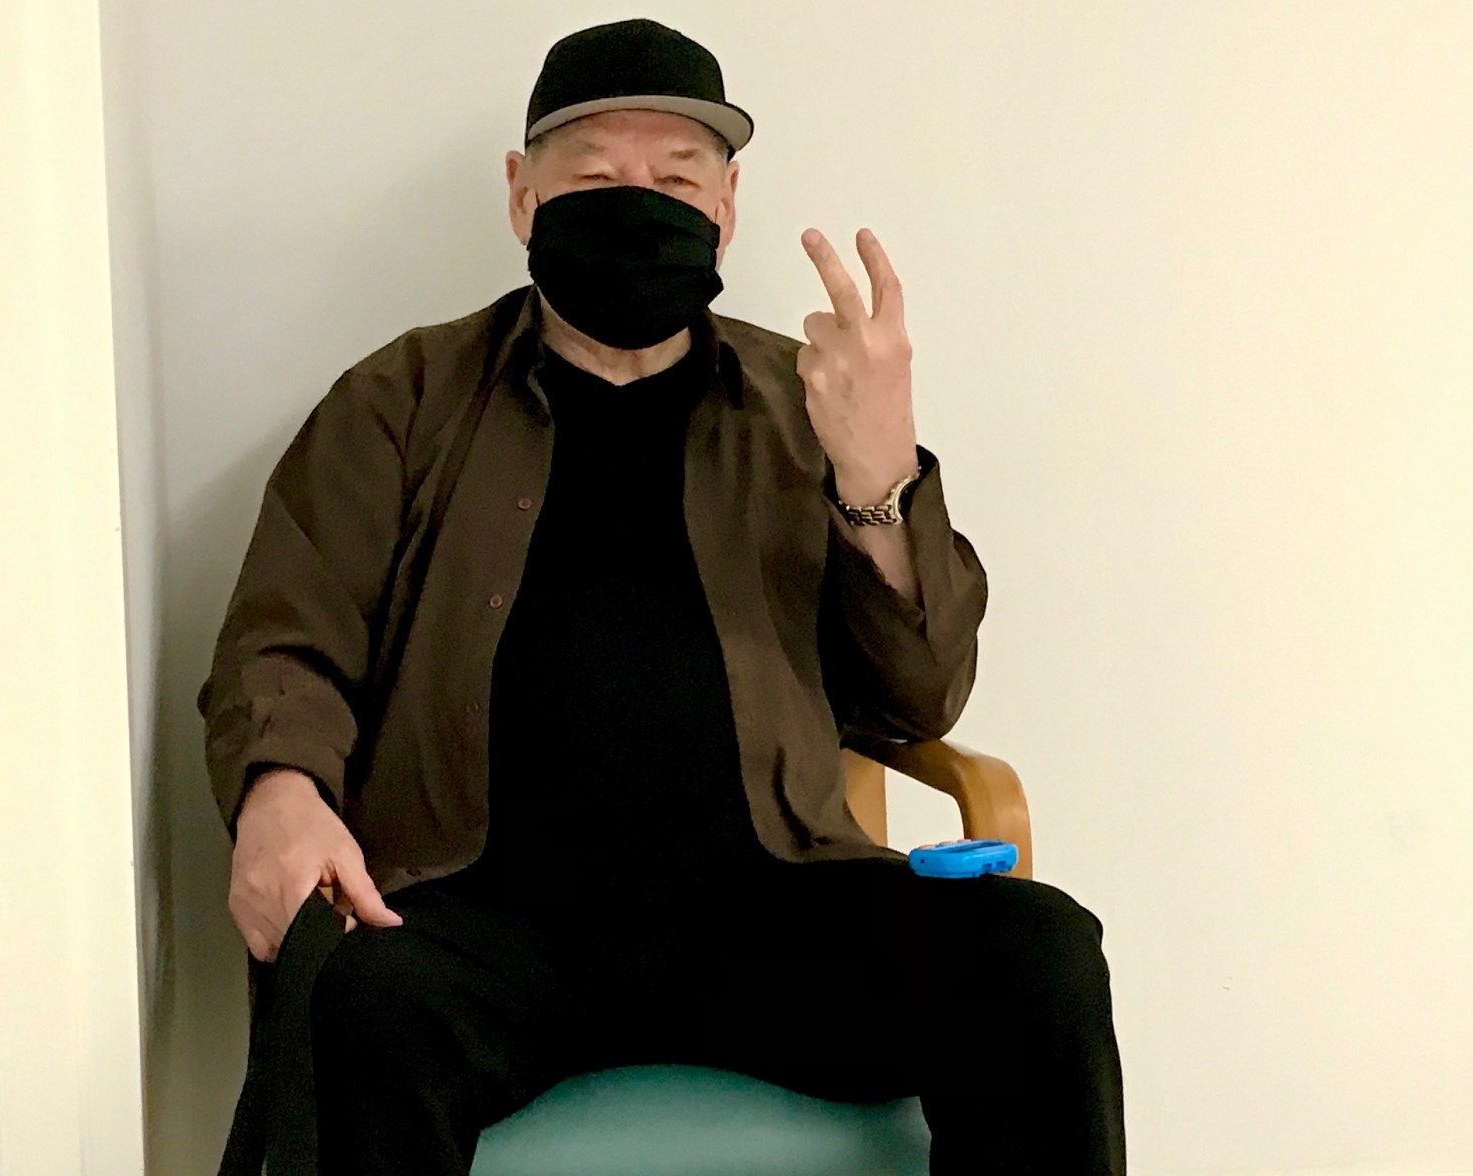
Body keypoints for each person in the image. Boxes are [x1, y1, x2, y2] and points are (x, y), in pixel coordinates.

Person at [199, 17, 1125, 1175]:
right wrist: (280, 792)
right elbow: (284, 641)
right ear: (521, 194)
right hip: (483, 919)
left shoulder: (805, 404)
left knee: (1038, 954)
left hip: (773, 912)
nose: (636, 202)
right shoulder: (403, 398)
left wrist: (878, 478)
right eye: (593, 176)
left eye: (677, 179)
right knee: (352, 996)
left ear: (726, 207)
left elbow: (920, 697)